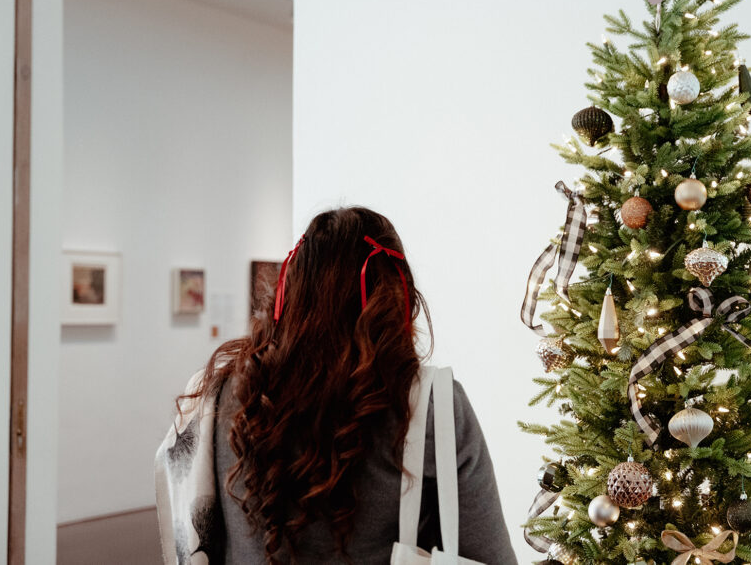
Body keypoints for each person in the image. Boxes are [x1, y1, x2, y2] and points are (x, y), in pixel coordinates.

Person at [156, 207, 517, 564]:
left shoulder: (220, 393)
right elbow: (491, 556)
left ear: (290, 294)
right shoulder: (429, 404)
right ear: (394, 298)